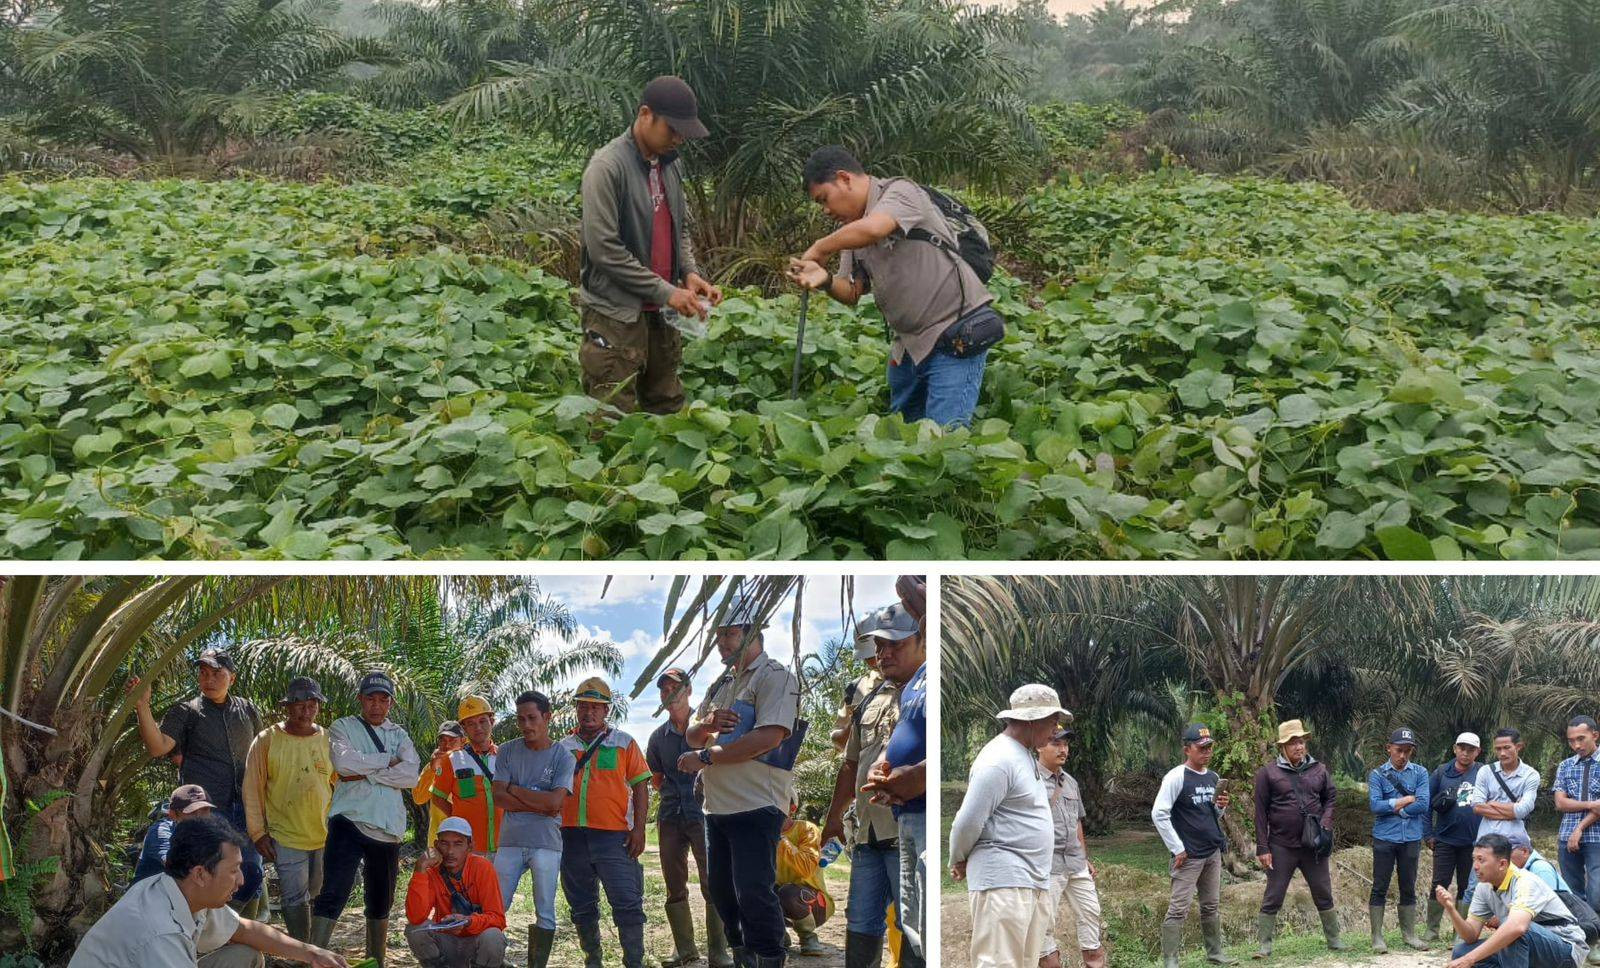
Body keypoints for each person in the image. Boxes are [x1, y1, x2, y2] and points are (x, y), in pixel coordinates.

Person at [787, 147, 1000, 428]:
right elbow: (852, 291)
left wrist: (819, 247)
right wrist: (824, 279)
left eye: (824, 199)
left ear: (844, 178)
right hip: (908, 346)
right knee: (903, 434)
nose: (825, 210)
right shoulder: (853, 228)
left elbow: (876, 228)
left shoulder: (901, 192)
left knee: (947, 439)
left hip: (954, 333)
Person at [578, 74, 722, 414]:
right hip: (616, 315)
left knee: (667, 403)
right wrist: (665, 291)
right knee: (611, 417)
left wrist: (689, 273)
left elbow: (679, 228)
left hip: (660, 313)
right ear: (645, 115)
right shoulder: (606, 167)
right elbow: (604, 250)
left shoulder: (670, 165)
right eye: (672, 129)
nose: (678, 139)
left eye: (682, 132)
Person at [680, 598, 804, 968]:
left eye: (730, 634)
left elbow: (771, 736)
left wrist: (706, 756)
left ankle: (769, 956)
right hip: (717, 806)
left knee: (753, 891)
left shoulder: (776, 676)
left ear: (753, 632)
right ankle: (742, 956)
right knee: (721, 892)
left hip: (756, 804)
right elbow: (691, 733)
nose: (722, 643)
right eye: (719, 636)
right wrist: (707, 727)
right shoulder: (723, 684)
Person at [69, 814, 347, 968]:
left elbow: (245, 930)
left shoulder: (180, 892)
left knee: (244, 957)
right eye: (233, 870)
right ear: (200, 874)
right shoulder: (160, 934)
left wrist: (313, 953)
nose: (241, 880)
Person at [133, 650, 266, 915]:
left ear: (232, 678)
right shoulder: (186, 711)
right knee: (207, 873)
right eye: (204, 673)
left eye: (217, 673)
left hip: (247, 807)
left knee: (250, 870)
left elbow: (263, 752)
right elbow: (158, 747)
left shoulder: (248, 709)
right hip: (207, 811)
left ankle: (232, 931)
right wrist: (142, 705)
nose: (209, 679)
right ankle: (207, 929)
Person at [948, 684, 1067, 968]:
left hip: (1028, 882)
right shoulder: (998, 759)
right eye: (1052, 722)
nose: (1055, 730)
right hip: (1004, 883)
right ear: (1031, 719)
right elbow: (967, 821)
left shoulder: (1023, 755)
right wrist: (958, 858)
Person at [310, 671, 421, 963]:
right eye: (370, 698)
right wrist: (387, 761)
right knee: (334, 892)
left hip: (388, 827)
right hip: (349, 820)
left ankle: (376, 961)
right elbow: (344, 763)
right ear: (360, 699)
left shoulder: (399, 734)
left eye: (382, 700)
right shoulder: (342, 727)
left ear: (390, 704)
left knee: (381, 900)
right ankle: (311, 958)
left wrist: (367, 773)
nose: (376, 705)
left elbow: (411, 775)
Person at [821, 611, 903, 968]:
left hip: (903, 831)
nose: (880, 657)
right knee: (860, 921)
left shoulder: (920, 692)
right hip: (868, 832)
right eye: (877, 650)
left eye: (887, 648)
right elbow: (850, 761)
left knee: (911, 924)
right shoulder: (866, 696)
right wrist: (833, 817)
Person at [558, 676, 652, 968]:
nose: (589, 712)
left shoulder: (624, 742)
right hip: (571, 837)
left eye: (596, 707)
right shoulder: (563, 747)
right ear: (576, 709)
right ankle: (593, 961)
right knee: (582, 906)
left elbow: (640, 785)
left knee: (627, 903)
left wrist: (638, 829)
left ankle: (634, 962)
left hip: (615, 838)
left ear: (607, 710)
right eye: (583, 706)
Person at [646, 668, 734, 968]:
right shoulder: (658, 738)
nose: (669, 694)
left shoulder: (709, 728)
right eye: (663, 689)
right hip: (670, 816)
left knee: (714, 882)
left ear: (689, 690)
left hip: (705, 813)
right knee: (674, 885)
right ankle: (684, 950)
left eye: (675, 687)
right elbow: (656, 779)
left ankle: (718, 952)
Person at [242, 676, 335, 944]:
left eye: (312, 705)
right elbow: (252, 787)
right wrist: (258, 832)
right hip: (286, 834)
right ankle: (302, 949)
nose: (306, 711)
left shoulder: (327, 739)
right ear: (287, 707)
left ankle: (316, 949)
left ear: (318, 706)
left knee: (319, 892)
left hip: (324, 833)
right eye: (299, 705)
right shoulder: (267, 740)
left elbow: (340, 784)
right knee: (294, 896)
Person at [864, 601, 929, 968]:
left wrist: (916, 776)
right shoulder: (908, 689)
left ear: (923, 640)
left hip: (922, 818)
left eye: (896, 644)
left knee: (924, 921)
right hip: (905, 815)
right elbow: (902, 741)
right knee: (913, 923)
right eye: (879, 646)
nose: (884, 653)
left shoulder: (932, 677)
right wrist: (883, 769)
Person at [491, 689, 575, 968]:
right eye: (520, 719)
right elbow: (498, 797)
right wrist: (539, 801)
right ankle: (490, 960)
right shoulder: (507, 750)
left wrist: (514, 788)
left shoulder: (563, 756)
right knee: (495, 908)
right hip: (511, 841)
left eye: (532, 718)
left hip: (546, 843)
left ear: (547, 717)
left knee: (545, 912)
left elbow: (555, 803)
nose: (526, 725)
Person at [1252, 719, 1345, 958]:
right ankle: (1265, 945)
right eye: (1292, 743)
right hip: (1281, 845)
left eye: (1301, 741)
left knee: (1323, 891)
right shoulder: (1268, 773)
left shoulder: (1319, 769)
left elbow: (1331, 798)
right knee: (1274, 894)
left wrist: (1325, 823)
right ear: (1282, 747)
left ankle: (1334, 940)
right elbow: (1260, 812)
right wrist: (1263, 847)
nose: (1298, 747)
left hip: (1313, 845)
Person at [1437, 833, 1588, 968]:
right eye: (1474, 859)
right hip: (1529, 946)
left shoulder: (1526, 882)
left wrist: (1470, 959)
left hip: (1567, 950)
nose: (1475, 866)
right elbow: (1470, 936)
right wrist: (1451, 909)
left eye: (1481, 860)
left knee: (1514, 932)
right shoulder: (1483, 887)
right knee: (1461, 951)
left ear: (1502, 864)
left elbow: (1517, 928)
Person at [1152, 724, 1233, 968]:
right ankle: (1171, 960)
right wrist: (1177, 847)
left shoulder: (1213, 777)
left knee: (1210, 906)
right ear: (1187, 749)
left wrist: (1221, 806)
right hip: (1188, 856)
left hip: (1211, 851)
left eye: (1210, 747)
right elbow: (1159, 813)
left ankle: (1215, 953)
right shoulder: (1176, 777)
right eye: (1202, 748)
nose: (1207, 752)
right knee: (1178, 909)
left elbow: (1210, 815)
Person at [1034, 726, 1105, 968]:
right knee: (1044, 925)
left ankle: (1093, 962)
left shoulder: (1071, 782)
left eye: (1065, 744)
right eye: (1056, 743)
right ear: (1039, 745)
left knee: (1091, 914)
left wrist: (1084, 857)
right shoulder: (1028, 780)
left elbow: (1077, 822)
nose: (1063, 749)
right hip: (1047, 864)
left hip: (1075, 863)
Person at [405, 817, 508, 968]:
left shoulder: (483, 868)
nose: (450, 851)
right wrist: (420, 870)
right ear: (436, 845)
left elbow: (498, 919)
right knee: (415, 930)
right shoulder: (431, 871)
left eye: (458, 844)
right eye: (444, 843)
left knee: (493, 936)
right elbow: (415, 917)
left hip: (475, 943)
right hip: (446, 943)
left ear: (470, 846)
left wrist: (468, 921)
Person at [1368, 727, 1432, 952]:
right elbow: (1375, 806)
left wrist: (1398, 810)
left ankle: (1409, 934)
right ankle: (1377, 936)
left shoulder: (1421, 773)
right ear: (1389, 749)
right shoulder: (1377, 775)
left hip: (1411, 838)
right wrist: (1404, 800)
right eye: (1399, 750)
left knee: (1408, 886)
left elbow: (1424, 804)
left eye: (1408, 751)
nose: (1403, 755)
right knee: (1380, 886)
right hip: (1385, 837)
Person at [1466, 728, 1542, 905]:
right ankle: (1463, 932)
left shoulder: (1531, 775)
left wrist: (1491, 803)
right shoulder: (1485, 771)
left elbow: (1523, 810)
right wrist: (1511, 809)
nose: (1502, 753)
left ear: (1519, 747)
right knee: (1475, 886)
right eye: (1498, 749)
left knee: (1516, 886)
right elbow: (1476, 806)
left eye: (1507, 747)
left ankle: (1512, 929)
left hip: (1514, 843)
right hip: (1485, 841)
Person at [1427, 733, 1485, 940]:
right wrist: (1429, 834)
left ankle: (1459, 932)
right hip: (1444, 839)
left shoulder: (1483, 772)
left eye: (1471, 749)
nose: (1465, 753)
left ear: (1478, 752)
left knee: (1466, 886)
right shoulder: (1441, 772)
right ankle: (1431, 930)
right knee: (1439, 883)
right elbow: (1427, 804)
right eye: (1462, 748)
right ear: (1454, 749)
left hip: (1473, 842)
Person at [430, 696, 502, 857]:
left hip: (503, 844)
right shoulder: (452, 760)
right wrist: (458, 820)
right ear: (464, 728)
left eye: (483, 721)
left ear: (492, 721)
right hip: (469, 846)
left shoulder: (505, 757)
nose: (478, 728)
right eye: (471, 723)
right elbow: (438, 797)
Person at [1554, 717, 1600, 919]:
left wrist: (1580, 828)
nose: (1576, 745)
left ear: (1595, 735)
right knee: (1573, 894)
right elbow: (1560, 803)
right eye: (1571, 740)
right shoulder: (1565, 766)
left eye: (1581, 738)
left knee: (1597, 894)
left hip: (1597, 837)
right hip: (1566, 836)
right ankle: (1585, 940)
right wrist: (1591, 804)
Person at [778, 797, 834, 956]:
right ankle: (777, 934)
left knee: (788, 893)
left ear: (792, 808)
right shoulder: (760, 833)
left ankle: (808, 937)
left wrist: (781, 838)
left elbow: (805, 869)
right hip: (779, 896)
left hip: (813, 902)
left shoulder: (807, 829)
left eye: (778, 802)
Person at [134, 784, 218, 884]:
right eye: (192, 812)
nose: (200, 817)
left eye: (204, 810)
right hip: (149, 894)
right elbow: (176, 865)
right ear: (173, 814)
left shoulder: (208, 833)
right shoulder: (160, 831)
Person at [415, 721, 464, 849]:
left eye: (452, 740)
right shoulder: (433, 767)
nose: (447, 745)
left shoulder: (470, 767)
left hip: (464, 841)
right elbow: (418, 798)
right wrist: (432, 769)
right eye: (442, 740)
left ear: (463, 741)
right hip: (437, 843)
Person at [1508, 832, 1575, 893]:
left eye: (1509, 853)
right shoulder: (1525, 867)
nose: (1505, 857)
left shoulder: (1540, 869)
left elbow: (1549, 901)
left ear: (1525, 851)